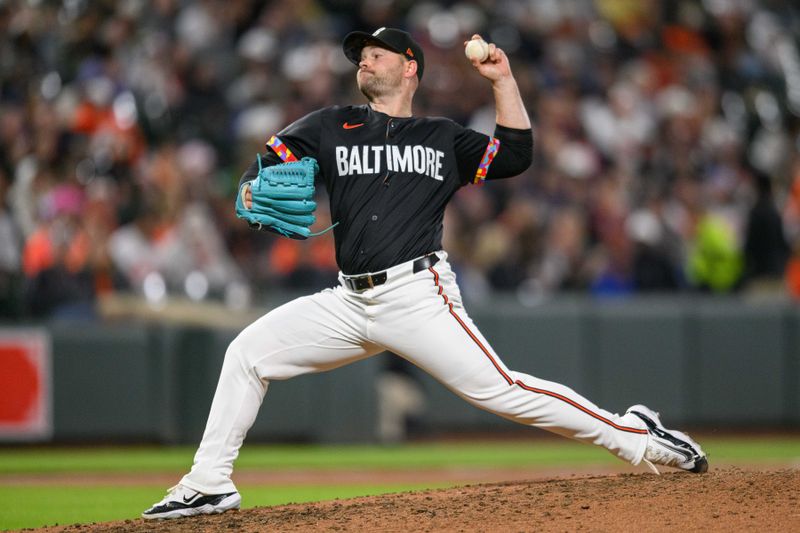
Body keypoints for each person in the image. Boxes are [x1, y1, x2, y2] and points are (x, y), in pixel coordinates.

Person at [143, 28, 707, 520]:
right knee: (247, 353)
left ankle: (638, 435)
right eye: (359, 54)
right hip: (348, 302)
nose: (364, 60)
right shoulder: (329, 125)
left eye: (377, 53)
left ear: (409, 66)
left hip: (419, 296)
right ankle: (208, 481)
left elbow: (514, 156)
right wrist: (248, 183)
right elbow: (265, 163)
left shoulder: (443, 137)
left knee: (504, 391)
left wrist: (502, 80)